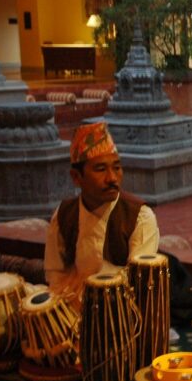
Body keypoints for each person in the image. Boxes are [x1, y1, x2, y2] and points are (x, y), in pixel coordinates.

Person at [44, 122, 159, 310]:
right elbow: (55, 276)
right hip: (73, 307)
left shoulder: (139, 216)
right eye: (100, 169)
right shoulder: (64, 215)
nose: (112, 178)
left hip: (121, 310)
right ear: (76, 177)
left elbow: (137, 281)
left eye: (116, 168)